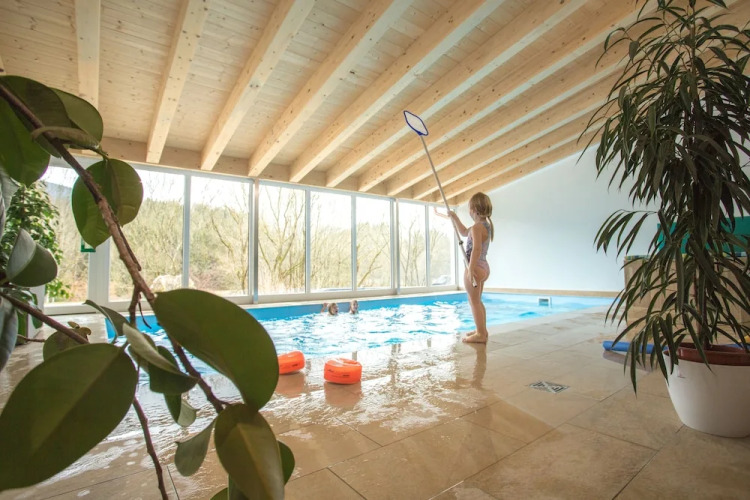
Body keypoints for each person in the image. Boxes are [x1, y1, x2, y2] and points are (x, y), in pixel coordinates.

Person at [438, 192, 494, 343]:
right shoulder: (485, 226)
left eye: (469, 208)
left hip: (476, 267)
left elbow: (476, 249)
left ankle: (480, 334)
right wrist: (454, 217)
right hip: (484, 267)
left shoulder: (477, 228)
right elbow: (463, 232)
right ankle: (482, 330)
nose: (469, 211)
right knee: (477, 300)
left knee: (473, 301)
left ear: (474, 209)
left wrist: (470, 269)